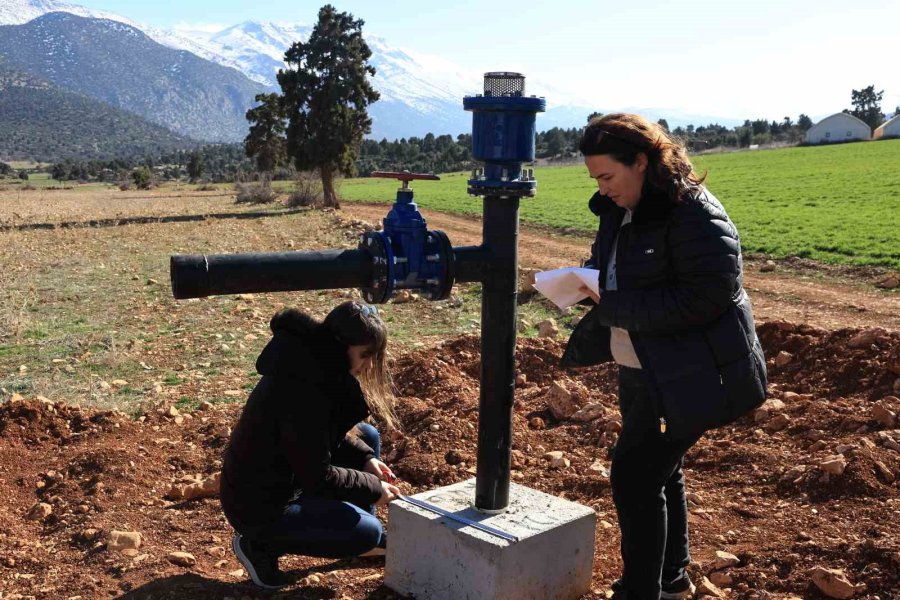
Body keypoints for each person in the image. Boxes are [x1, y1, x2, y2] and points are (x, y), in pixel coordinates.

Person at [561, 113, 767, 600]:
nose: (602, 188)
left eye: (607, 176)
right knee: (659, 472)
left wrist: (613, 305)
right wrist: (585, 281)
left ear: (641, 161)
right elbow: (616, 267)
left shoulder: (693, 213)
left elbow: (707, 297)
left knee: (633, 478)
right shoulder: (620, 210)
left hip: (686, 372)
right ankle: (671, 578)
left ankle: (641, 591)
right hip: (639, 364)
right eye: (595, 179)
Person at [220, 301, 401, 590]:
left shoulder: (313, 365)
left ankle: (360, 527)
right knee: (366, 533)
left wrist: (366, 459)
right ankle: (260, 544)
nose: (368, 366)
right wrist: (373, 487)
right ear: (341, 345)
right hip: (260, 506)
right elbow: (318, 475)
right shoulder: (303, 391)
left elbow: (321, 437)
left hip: (288, 479)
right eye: (365, 355)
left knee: (367, 437)